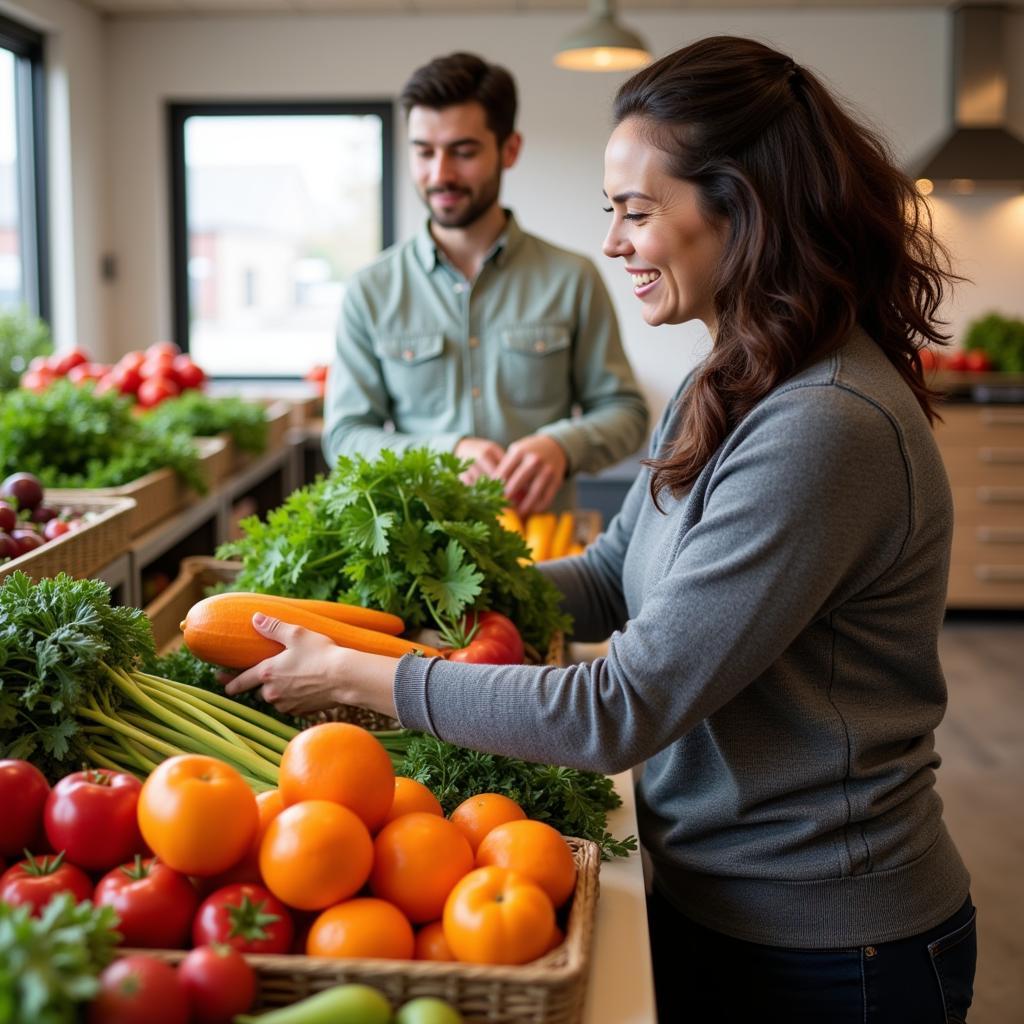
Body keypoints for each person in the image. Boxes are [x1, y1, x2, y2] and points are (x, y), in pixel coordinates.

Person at [231, 36, 976, 1022]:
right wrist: (409, 617)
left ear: (739, 208)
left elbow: (621, 705)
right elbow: (617, 574)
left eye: (635, 211)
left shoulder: (823, 425)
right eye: (608, 214)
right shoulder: (727, 377)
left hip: (838, 947)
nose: (616, 243)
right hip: (723, 901)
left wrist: (367, 678)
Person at [322, 52, 649, 516]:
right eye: (424, 151)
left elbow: (627, 414)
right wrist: (445, 454)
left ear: (509, 149)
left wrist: (562, 445)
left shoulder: (572, 278)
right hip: (414, 558)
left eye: (463, 151)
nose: (440, 174)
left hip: (542, 552)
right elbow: (345, 437)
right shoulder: (369, 291)